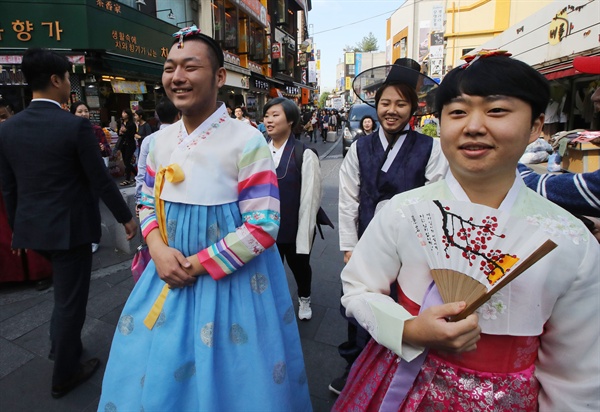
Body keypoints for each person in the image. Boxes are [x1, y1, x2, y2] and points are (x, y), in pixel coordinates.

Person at [332, 51, 600, 411]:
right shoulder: (403, 211)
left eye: (497, 110)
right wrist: (408, 330)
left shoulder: (571, 242)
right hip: (398, 381)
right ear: (441, 123)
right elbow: (359, 285)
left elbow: (577, 378)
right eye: (458, 112)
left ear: (536, 126)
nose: (473, 126)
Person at [98, 27, 312, 411]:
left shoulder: (246, 140)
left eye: (190, 67)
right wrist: (158, 248)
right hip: (166, 270)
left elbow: (262, 225)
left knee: (237, 377)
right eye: (169, 67)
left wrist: (194, 265)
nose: (176, 77)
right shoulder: (160, 141)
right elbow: (146, 199)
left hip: (232, 281)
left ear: (218, 77)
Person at [0, 47, 137, 399]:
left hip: (34, 229)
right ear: (57, 80)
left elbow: (9, 187)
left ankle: (60, 346)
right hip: (71, 229)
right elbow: (100, 180)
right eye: (68, 79)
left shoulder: (8, 129)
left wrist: (18, 230)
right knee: (70, 302)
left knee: (64, 296)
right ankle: (64, 371)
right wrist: (126, 217)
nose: (70, 86)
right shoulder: (74, 126)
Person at [330, 58, 448, 395]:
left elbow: (436, 200)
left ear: (413, 107)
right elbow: (347, 198)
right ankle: (355, 365)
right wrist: (350, 246)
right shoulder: (360, 148)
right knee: (358, 304)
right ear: (376, 105)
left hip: (412, 249)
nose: (391, 110)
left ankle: (396, 373)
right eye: (385, 103)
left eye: (400, 103)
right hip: (367, 242)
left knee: (405, 306)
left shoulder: (430, 148)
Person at [264, 97, 322, 320]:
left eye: (275, 115)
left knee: (300, 268)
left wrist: (304, 235)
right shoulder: (258, 151)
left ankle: (304, 299)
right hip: (266, 228)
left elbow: (310, 199)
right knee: (270, 270)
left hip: (294, 226)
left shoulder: (303, 153)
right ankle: (273, 303)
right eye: (267, 116)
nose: (269, 121)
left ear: (290, 120)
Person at [0, 98, 53, 288]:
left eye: (3, 116)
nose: (1, 121)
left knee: (29, 228)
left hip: (23, 190)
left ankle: (41, 271)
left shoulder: (17, 132)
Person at [70, 101, 113, 254]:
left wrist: (103, 148)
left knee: (93, 206)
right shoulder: (69, 130)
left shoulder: (96, 130)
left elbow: (108, 150)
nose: (83, 114)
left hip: (95, 173)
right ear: (73, 113)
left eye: (85, 111)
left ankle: (94, 239)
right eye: (79, 111)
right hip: (77, 176)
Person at [134, 96, 181, 207]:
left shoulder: (149, 140)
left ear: (158, 116)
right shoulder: (186, 138)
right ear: (179, 115)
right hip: (180, 200)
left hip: (155, 200)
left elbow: (142, 173)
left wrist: (139, 201)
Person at [116, 108, 136, 186]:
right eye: (122, 113)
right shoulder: (120, 123)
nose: (123, 114)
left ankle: (127, 179)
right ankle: (137, 174)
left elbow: (132, 134)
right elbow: (119, 134)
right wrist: (120, 132)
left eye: (125, 113)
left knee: (127, 161)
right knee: (126, 162)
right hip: (123, 144)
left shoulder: (131, 124)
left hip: (130, 144)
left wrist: (126, 131)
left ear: (128, 114)